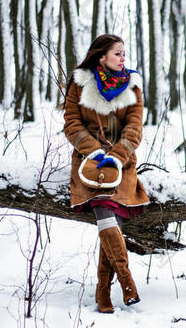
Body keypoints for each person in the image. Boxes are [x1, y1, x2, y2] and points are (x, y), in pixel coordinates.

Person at [63, 34, 149, 313]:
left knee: (111, 209)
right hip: (88, 159)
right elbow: (72, 124)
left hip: (122, 159)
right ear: (101, 57)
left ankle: (104, 288)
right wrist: (94, 152)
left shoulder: (133, 86)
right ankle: (125, 281)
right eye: (118, 53)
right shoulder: (80, 84)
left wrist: (117, 156)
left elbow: (134, 129)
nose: (123, 58)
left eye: (124, 53)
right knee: (103, 206)